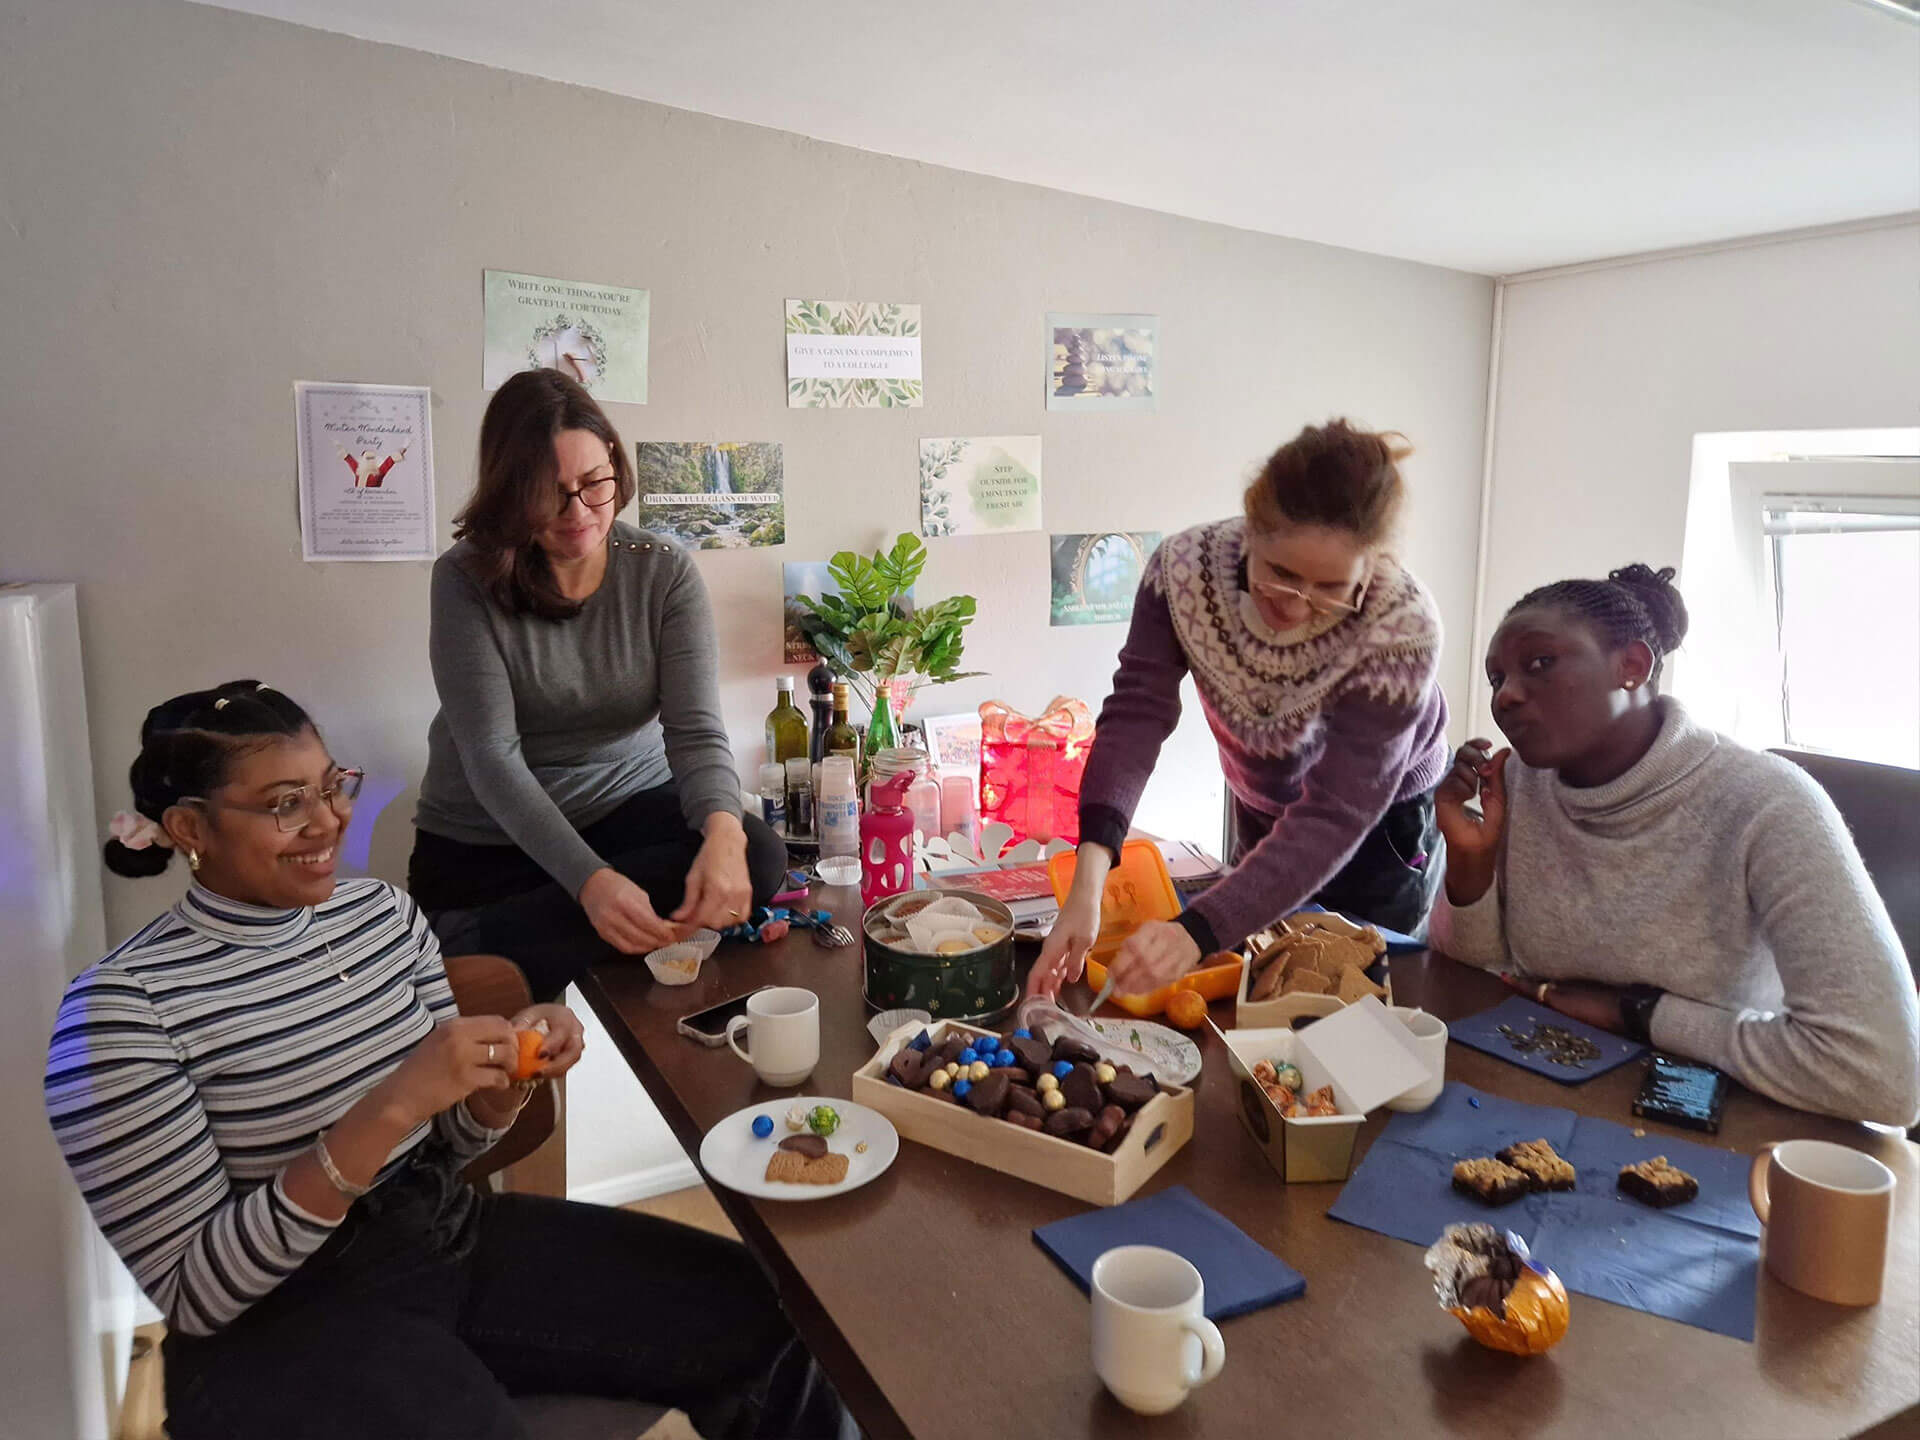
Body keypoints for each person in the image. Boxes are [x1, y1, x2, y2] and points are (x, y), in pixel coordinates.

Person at [49, 682, 849, 1439]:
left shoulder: (381, 917)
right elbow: (200, 1294)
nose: (328, 822)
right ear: (190, 828)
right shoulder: (122, 1011)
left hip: (441, 1231)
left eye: (332, 787)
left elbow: (450, 1146)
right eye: (283, 805)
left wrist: (498, 1087)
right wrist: (394, 1103)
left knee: (768, 1313)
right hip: (278, 1320)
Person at [1432, 565, 1919, 1127]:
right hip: (1551, 1094)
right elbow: (1475, 981)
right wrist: (1471, 863)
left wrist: (1639, 1014)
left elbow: (1881, 1077)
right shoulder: (1518, 782)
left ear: (1632, 667)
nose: (1507, 696)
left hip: (1731, 1129)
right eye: (1496, 679)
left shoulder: (1768, 804)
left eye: (1539, 664)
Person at [1029, 419, 1450, 1001]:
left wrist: (1198, 930)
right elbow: (1135, 716)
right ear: (1250, 529)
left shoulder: (1401, 629)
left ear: (1373, 566)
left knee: (1364, 1005)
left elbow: (1336, 811)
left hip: (1381, 825)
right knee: (1267, 989)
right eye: (1279, 573)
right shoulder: (1182, 572)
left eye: (1331, 588)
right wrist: (1089, 877)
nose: (1298, 607)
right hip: (1262, 801)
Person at [410, 369, 785, 1002]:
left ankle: (502, 950)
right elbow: (492, 759)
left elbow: (694, 732)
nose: (579, 514)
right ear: (509, 492)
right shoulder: (465, 579)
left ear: (614, 460)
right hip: (490, 837)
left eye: (593, 484)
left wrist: (722, 832)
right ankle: (476, 939)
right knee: (615, 897)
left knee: (758, 856)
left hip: (624, 809)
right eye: (549, 495)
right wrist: (590, 882)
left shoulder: (663, 572)